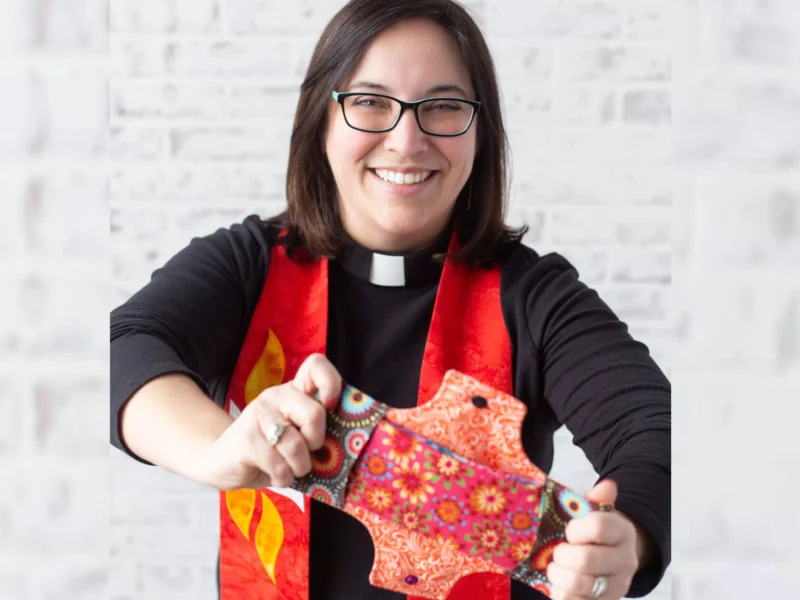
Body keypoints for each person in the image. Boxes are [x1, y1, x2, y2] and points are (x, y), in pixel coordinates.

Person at [110, 0, 671, 599]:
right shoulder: (248, 265)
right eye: (370, 102)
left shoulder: (532, 297)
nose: (407, 141)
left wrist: (625, 538)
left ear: (481, 131)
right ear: (321, 121)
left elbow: (653, 427)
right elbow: (123, 350)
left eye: (445, 106)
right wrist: (218, 451)